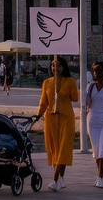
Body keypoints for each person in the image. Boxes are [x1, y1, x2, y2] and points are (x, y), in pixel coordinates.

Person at [37, 55, 79, 190]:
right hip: (51, 118)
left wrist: (67, 89)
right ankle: (60, 178)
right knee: (54, 148)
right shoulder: (47, 82)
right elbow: (43, 103)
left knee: (64, 148)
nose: (55, 67)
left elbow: (75, 98)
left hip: (66, 118)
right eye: (53, 65)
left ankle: (55, 180)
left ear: (63, 67)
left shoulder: (70, 81)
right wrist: (37, 115)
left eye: (58, 65)